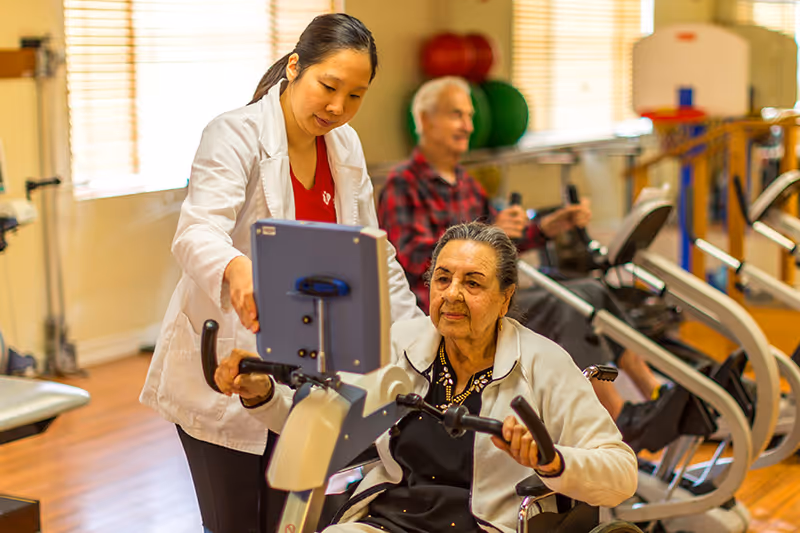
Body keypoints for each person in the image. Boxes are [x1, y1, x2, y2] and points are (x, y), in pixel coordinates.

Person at [139, 14, 423, 533]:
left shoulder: (346, 148)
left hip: (313, 372)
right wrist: (236, 266)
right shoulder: (235, 133)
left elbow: (373, 258)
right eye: (329, 86)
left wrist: (421, 341)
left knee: (298, 522)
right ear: (295, 67)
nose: (338, 108)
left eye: (356, 96)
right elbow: (196, 231)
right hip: (233, 365)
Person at [216, 222, 639, 533]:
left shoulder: (543, 363)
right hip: (391, 522)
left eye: (473, 283)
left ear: (505, 297)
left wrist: (552, 460)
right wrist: (262, 395)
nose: (452, 293)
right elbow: (323, 424)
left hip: (484, 526)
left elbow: (621, 473)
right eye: (443, 278)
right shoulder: (401, 344)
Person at [377, 76, 667, 441]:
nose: (468, 125)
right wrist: (483, 239)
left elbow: (503, 237)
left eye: (469, 116)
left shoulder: (466, 182)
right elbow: (419, 260)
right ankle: (620, 418)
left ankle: (652, 391)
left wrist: (546, 226)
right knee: (569, 305)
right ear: (425, 120)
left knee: (592, 290)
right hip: (451, 306)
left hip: (488, 293)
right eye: (456, 115)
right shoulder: (403, 185)